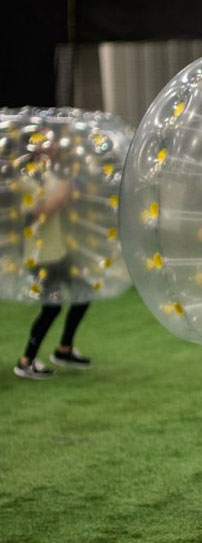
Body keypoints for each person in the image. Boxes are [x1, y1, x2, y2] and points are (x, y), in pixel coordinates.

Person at [14, 146, 91, 380]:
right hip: (40, 256)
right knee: (51, 307)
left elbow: (65, 201)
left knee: (84, 293)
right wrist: (62, 195)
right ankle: (26, 361)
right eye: (46, 141)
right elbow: (40, 211)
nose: (53, 145)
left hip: (58, 252)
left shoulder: (50, 174)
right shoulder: (23, 180)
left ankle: (64, 349)